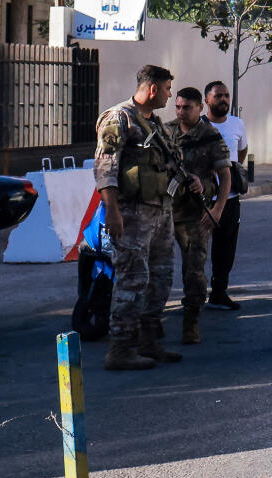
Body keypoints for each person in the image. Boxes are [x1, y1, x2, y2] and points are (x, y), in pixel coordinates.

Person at [95, 65, 184, 371]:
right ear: (153, 89)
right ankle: (120, 348)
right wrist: (112, 211)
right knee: (133, 279)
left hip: (160, 211)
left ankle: (148, 342)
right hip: (132, 214)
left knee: (160, 278)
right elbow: (105, 168)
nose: (171, 94)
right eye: (168, 89)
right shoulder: (119, 118)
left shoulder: (156, 124)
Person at [166, 87, 231, 345]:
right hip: (165, 211)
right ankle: (149, 324)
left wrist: (217, 209)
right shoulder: (166, 132)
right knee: (156, 268)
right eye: (178, 107)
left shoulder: (210, 136)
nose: (181, 112)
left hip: (195, 214)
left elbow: (225, 177)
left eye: (187, 108)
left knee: (194, 272)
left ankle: (191, 322)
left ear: (199, 108)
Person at [202, 81, 248, 310]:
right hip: (201, 199)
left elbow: (241, 151)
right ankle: (194, 294)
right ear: (206, 101)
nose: (224, 100)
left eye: (226, 96)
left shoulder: (237, 124)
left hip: (229, 198)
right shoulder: (197, 125)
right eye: (218, 96)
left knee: (226, 248)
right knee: (196, 248)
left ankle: (219, 292)